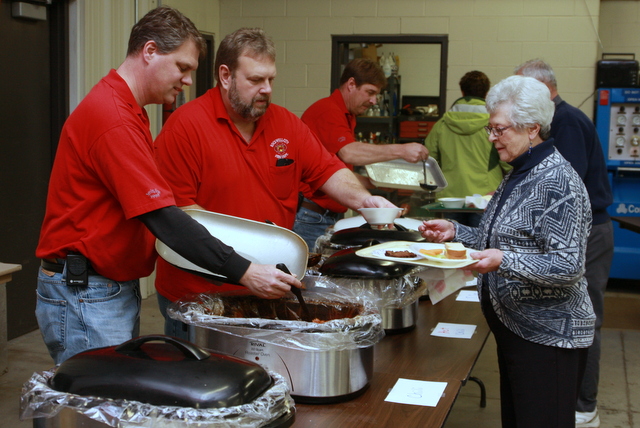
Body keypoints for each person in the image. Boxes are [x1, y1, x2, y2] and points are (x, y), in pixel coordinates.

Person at [34, 8, 302, 365]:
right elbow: (163, 218)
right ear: (149, 52)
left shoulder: (128, 109)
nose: (188, 80)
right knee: (101, 409)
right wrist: (245, 271)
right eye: (182, 67)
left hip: (105, 286)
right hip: (87, 292)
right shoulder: (113, 119)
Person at [153, 28, 397, 339]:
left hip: (265, 293)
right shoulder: (185, 128)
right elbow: (181, 218)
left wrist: (367, 202)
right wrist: (243, 269)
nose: (266, 89)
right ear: (225, 76)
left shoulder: (285, 124)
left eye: (271, 80)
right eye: (255, 80)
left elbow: (327, 170)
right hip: (199, 298)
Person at [419, 75, 595, 427]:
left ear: (532, 128)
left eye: (500, 130)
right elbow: (501, 239)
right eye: (491, 129)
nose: (492, 138)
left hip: (549, 338)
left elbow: (568, 264)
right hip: (518, 330)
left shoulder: (557, 182)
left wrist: (504, 261)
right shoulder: (521, 171)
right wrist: (457, 231)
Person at [515, 59, 614, 428]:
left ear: (543, 89)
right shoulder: (559, 118)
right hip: (578, 233)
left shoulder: (567, 121)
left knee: (585, 320)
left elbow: (558, 188)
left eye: (519, 90)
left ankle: (584, 405)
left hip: (588, 236)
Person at [293, 58, 429, 249]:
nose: (373, 101)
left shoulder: (347, 116)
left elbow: (336, 172)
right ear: (351, 84)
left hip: (325, 215)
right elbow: (350, 153)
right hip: (312, 216)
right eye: (370, 92)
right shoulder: (327, 111)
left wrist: (375, 183)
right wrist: (401, 149)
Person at [424, 70, 510, 227]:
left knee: (452, 245)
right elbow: (508, 160)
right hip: (484, 196)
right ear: (486, 93)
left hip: (450, 198)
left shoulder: (442, 125)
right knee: (480, 245)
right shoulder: (493, 126)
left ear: (462, 91)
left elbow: (429, 161)